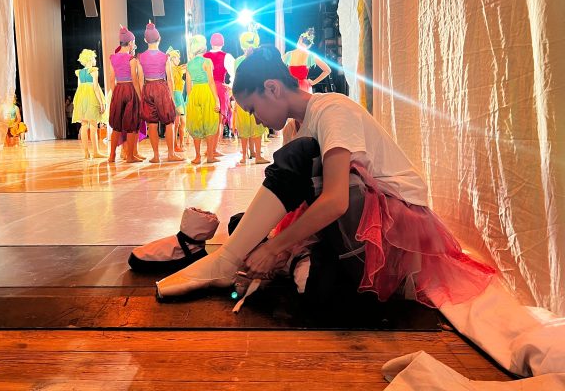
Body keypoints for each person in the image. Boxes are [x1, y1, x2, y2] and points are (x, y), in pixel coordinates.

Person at [156, 46, 495, 310]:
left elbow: (335, 201)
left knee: (296, 166)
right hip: (355, 222)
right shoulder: (299, 126)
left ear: (272, 88)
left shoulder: (332, 108)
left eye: (253, 109)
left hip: (391, 228)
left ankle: (231, 263)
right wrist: (274, 246)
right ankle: (286, 265)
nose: (256, 120)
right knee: (243, 225)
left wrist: (274, 247)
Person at [138, 22, 184, 163]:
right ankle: (171, 154)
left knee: (152, 123)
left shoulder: (140, 57)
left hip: (147, 88)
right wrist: (172, 98)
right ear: (159, 39)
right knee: (169, 122)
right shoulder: (165, 57)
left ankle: (156, 156)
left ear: (145, 40)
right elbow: (170, 79)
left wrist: (141, 96)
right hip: (162, 88)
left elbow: (140, 80)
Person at [233, 29, 269, 165]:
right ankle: (257, 156)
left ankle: (245, 156)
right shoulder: (260, 60)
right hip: (255, 96)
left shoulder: (238, 61)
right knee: (256, 126)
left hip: (242, 96)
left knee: (244, 126)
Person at [107, 26, 142, 163]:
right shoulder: (131, 59)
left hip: (118, 90)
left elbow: (111, 79)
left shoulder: (112, 58)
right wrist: (139, 97)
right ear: (131, 42)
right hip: (129, 90)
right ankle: (130, 157)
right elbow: (135, 80)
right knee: (131, 125)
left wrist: (115, 93)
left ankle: (111, 156)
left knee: (116, 126)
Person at [185, 35, 221, 165]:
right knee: (210, 122)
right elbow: (211, 82)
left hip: (195, 93)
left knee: (196, 124)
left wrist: (190, 100)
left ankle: (197, 157)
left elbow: (188, 85)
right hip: (206, 92)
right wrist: (217, 100)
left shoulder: (189, 64)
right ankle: (210, 156)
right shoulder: (207, 62)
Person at [203, 33, 235, 158]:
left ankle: (208, 149)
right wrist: (230, 85)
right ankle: (213, 149)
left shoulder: (204, 56)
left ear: (211, 43)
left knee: (209, 120)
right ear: (222, 43)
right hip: (219, 88)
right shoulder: (226, 56)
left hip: (206, 88)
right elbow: (235, 73)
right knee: (219, 121)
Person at [72, 49, 106, 159]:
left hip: (82, 99)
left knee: (84, 125)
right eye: (94, 58)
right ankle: (96, 152)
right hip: (91, 98)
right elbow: (95, 88)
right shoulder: (93, 71)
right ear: (90, 59)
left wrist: (77, 102)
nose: (95, 60)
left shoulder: (80, 73)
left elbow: (79, 88)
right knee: (93, 125)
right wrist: (101, 103)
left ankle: (86, 153)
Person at [282, 28, 331, 93]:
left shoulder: (288, 55)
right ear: (310, 45)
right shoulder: (311, 56)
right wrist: (314, 82)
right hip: (304, 88)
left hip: (291, 86)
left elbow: (277, 68)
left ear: (300, 39)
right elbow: (328, 70)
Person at [167, 46, 187, 152]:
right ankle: (175, 145)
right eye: (177, 58)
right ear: (172, 59)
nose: (179, 60)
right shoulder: (172, 70)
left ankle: (181, 144)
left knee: (183, 122)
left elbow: (186, 66)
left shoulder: (178, 69)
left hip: (180, 96)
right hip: (175, 95)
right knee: (176, 122)